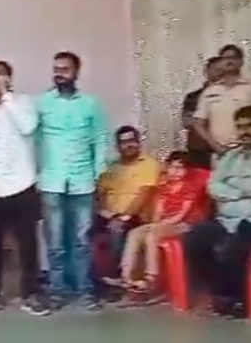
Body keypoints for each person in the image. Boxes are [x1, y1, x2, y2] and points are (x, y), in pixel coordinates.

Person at [183, 105, 251, 318]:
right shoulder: (229, 156)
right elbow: (213, 186)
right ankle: (217, 293)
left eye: (250, 126)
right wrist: (240, 191)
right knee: (195, 237)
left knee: (233, 245)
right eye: (239, 127)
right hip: (226, 220)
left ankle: (236, 300)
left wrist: (229, 187)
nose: (244, 131)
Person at [0, 60, 50, 317]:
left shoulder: (24, 103)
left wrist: (6, 97)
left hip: (22, 184)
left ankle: (31, 294)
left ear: (9, 78)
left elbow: (27, 127)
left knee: (27, 245)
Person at [36, 51, 110, 310]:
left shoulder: (90, 104)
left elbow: (100, 139)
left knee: (81, 240)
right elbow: (34, 139)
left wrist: (98, 173)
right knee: (55, 242)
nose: (59, 74)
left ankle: (85, 289)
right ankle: (57, 290)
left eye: (65, 69)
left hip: (82, 180)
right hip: (52, 181)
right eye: (56, 69)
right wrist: (37, 173)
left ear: (76, 72)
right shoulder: (42, 103)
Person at [119, 151, 208, 299]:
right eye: (172, 167)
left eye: (179, 168)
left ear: (187, 170)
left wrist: (162, 224)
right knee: (134, 233)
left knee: (152, 235)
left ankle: (150, 277)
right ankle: (126, 274)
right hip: (162, 224)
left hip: (183, 224)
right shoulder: (165, 186)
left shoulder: (188, 188)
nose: (175, 171)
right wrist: (155, 222)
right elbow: (159, 209)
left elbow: (182, 213)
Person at [93, 126, 160, 289]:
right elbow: (98, 194)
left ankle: (117, 279)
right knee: (78, 231)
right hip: (109, 214)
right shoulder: (111, 167)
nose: (128, 145)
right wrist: (106, 213)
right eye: (123, 142)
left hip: (135, 215)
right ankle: (88, 280)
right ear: (118, 146)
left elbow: (145, 194)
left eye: (132, 140)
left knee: (117, 229)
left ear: (138, 142)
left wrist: (124, 216)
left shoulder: (149, 164)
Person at [193, 45, 251, 156]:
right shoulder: (210, 91)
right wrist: (214, 145)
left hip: (246, 151)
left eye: (233, 58)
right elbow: (198, 124)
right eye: (225, 58)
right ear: (220, 62)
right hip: (219, 152)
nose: (229, 61)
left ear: (241, 62)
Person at [181, 57, 222, 168]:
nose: (220, 73)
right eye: (216, 69)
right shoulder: (193, 97)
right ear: (206, 71)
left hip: (225, 147)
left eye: (222, 69)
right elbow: (187, 122)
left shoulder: (234, 94)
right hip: (199, 148)